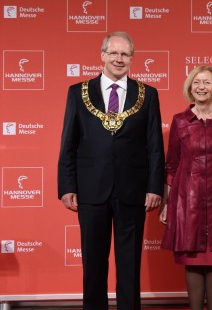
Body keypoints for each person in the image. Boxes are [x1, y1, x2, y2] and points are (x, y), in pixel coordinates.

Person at [57, 31, 165, 310]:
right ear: (102, 55)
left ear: (132, 58)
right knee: (93, 262)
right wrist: (67, 185)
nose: (119, 59)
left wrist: (155, 187)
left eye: (125, 54)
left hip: (134, 189)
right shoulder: (78, 92)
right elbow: (68, 143)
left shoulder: (148, 94)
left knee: (129, 263)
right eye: (114, 53)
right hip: (91, 188)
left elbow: (155, 146)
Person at [159, 65, 212, 310]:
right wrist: (167, 203)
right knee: (193, 260)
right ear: (190, 87)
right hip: (187, 198)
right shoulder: (179, 120)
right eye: (197, 82)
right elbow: (171, 166)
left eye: (207, 82)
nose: (201, 87)